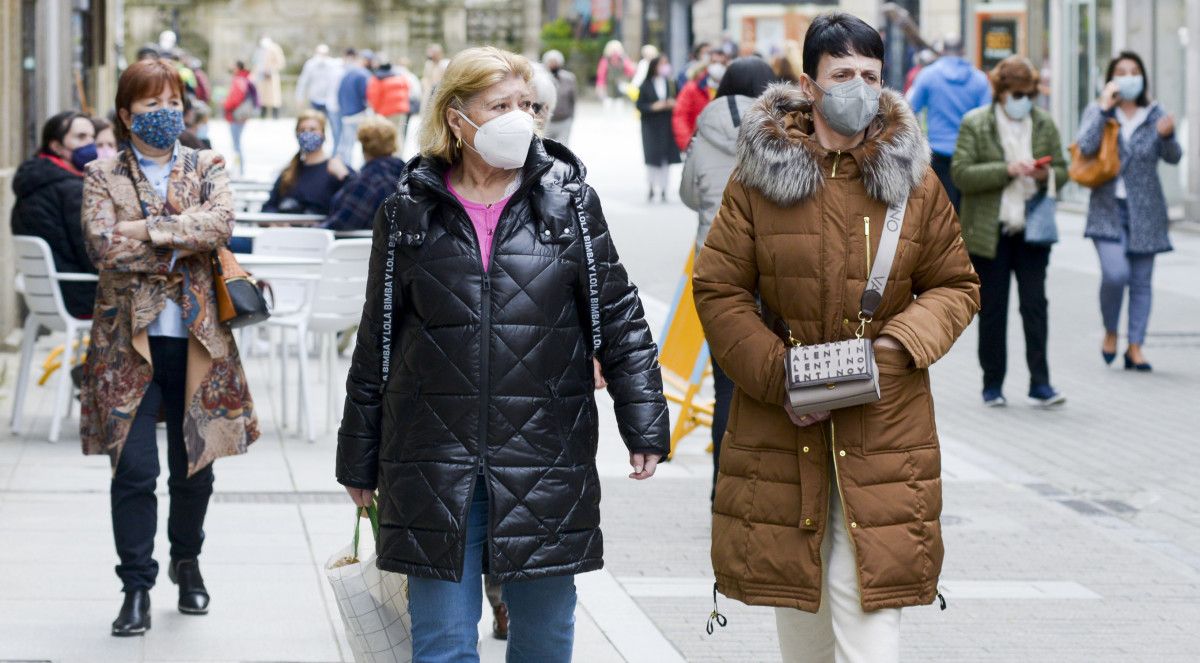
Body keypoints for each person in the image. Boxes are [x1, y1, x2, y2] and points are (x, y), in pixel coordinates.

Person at [336, 46, 670, 663]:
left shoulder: (568, 204)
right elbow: (377, 339)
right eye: (500, 106)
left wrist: (644, 422)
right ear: (457, 118)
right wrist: (358, 459)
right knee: (440, 646)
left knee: (543, 642)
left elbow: (620, 315)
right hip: (431, 456)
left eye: (527, 104)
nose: (519, 117)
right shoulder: (407, 211)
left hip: (544, 454)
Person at [692, 13, 980, 662]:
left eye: (871, 76)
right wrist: (777, 373)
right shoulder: (759, 178)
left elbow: (955, 284)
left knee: (868, 635)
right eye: (842, 74)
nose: (858, 88)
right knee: (805, 634)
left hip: (884, 427)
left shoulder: (915, 180)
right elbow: (718, 287)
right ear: (808, 84)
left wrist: (900, 345)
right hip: (783, 432)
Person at [79, 58, 259, 637]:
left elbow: (222, 225)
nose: (165, 114)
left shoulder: (206, 163)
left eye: (173, 102)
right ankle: (135, 585)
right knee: (132, 472)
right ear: (126, 114)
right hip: (125, 348)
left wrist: (148, 231)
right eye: (151, 105)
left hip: (198, 340)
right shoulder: (101, 174)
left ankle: (189, 562)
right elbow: (105, 250)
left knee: (194, 467)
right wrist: (185, 239)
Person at [678, 56, 776, 499]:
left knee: (727, 384)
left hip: (716, 269)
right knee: (774, 380)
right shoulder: (780, 130)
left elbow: (688, 194)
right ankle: (769, 488)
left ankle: (724, 490)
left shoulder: (704, 131)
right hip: (771, 269)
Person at [951, 55, 1068, 408]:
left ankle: (1041, 383)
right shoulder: (976, 123)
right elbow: (961, 173)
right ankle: (992, 384)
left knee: (1035, 306)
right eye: (1017, 94)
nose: (1023, 101)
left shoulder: (1043, 123)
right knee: (993, 309)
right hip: (991, 232)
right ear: (1001, 92)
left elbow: (1063, 169)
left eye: (1029, 94)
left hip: (1033, 229)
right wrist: (1006, 169)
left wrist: (1045, 174)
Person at [1077, 51, 1182, 372]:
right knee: (1115, 274)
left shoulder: (1154, 114)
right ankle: (1111, 330)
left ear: (1143, 77)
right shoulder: (1099, 111)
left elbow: (1174, 156)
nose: (1129, 76)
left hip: (1147, 210)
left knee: (1141, 281)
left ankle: (1135, 346)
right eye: (1121, 71)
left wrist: (1168, 136)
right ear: (1111, 77)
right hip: (1107, 209)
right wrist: (1104, 108)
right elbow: (1085, 146)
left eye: (1134, 71)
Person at [10, 111, 99, 318]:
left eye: (92, 137)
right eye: (80, 137)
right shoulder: (71, 189)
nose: (90, 144)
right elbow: (92, 253)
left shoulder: (34, 182)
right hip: (80, 295)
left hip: (50, 296)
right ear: (57, 146)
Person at [906, 35, 991, 211]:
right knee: (966, 212)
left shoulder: (927, 76)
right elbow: (987, 118)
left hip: (937, 153)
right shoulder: (979, 79)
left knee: (940, 210)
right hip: (969, 155)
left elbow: (910, 109)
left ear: (943, 51)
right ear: (963, 52)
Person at [263, 109, 352, 215]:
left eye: (312, 129)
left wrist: (345, 177)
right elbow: (268, 207)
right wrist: (275, 222)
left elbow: (354, 203)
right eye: (302, 130)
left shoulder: (337, 170)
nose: (307, 134)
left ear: (323, 134)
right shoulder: (289, 173)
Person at [321, 117, 403, 231]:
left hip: (363, 247)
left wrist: (308, 230)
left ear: (363, 145)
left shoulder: (369, 179)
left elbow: (341, 224)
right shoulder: (404, 173)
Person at [636, 54, 680, 202]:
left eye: (666, 63)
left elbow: (680, 101)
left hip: (667, 125)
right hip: (651, 125)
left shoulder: (671, 83)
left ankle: (664, 188)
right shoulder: (646, 84)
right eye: (661, 64)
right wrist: (653, 107)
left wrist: (673, 104)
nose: (664, 67)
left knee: (666, 158)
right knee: (652, 158)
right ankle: (651, 186)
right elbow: (640, 105)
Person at [672, 57, 726, 151]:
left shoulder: (730, 88)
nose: (718, 66)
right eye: (714, 62)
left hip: (723, 146)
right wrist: (687, 142)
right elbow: (680, 116)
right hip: (698, 144)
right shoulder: (692, 88)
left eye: (722, 62)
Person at [366, 57, 412, 155]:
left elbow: (373, 97)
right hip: (401, 112)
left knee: (385, 135)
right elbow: (408, 90)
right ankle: (399, 156)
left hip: (385, 113)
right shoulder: (400, 77)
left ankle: (388, 155)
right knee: (399, 133)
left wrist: (376, 111)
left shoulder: (376, 79)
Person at [335, 50, 373, 166]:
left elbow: (339, 93)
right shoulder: (364, 74)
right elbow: (366, 95)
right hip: (359, 114)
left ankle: (346, 168)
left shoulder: (347, 73)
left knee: (347, 145)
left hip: (347, 114)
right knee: (366, 144)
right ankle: (365, 168)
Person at [222, 61, 257, 175]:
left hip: (236, 116)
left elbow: (235, 98)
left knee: (236, 144)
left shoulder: (239, 80)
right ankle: (238, 169)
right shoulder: (244, 79)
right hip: (240, 115)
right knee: (237, 143)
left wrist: (226, 105)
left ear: (237, 67)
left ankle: (239, 170)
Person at [296, 44, 343, 122]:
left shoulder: (332, 64)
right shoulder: (310, 64)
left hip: (329, 100)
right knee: (315, 122)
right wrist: (299, 97)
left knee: (330, 122)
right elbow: (303, 82)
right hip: (314, 99)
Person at [542, 50, 577, 145]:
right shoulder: (542, 79)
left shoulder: (569, 78)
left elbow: (572, 100)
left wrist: (571, 117)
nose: (553, 65)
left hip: (564, 120)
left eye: (555, 62)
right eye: (551, 62)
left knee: (563, 148)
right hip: (547, 122)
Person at [252, 36, 286, 119]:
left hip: (271, 76)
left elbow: (280, 63)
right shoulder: (259, 50)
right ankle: (262, 115)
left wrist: (270, 70)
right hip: (261, 76)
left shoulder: (275, 49)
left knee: (274, 98)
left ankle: (275, 116)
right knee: (262, 97)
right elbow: (256, 63)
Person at [596, 40, 635, 111]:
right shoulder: (605, 60)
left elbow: (631, 72)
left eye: (616, 49)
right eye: (613, 49)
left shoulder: (623, 60)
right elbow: (601, 75)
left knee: (619, 108)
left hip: (620, 88)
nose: (615, 52)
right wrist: (600, 87)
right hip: (609, 89)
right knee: (608, 107)